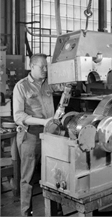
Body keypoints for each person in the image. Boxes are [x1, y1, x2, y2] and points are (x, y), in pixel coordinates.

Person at [13, 53, 65, 216]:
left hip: (49, 135)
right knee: (27, 178)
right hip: (30, 136)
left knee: (54, 174)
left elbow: (66, 87)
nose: (45, 69)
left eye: (46, 66)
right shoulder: (21, 86)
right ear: (32, 66)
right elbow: (18, 116)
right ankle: (26, 212)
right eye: (42, 66)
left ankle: (56, 210)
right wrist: (44, 122)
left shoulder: (49, 84)